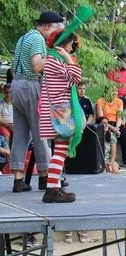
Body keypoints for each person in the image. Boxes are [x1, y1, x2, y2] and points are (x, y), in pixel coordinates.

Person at [9, 10, 63, 193]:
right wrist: (54, 56)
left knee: (20, 134)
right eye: (55, 30)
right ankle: (45, 177)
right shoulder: (38, 39)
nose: (55, 34)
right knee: (41, 132)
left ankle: (18, 180)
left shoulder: (24, 38)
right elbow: (37, 65)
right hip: (30, 85)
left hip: (15, 86)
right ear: (47, 26)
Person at [38, 29, 83, 203]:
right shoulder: (55, 61)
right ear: (63, 45)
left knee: (58, 150)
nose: (71, 49)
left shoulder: (52, 60)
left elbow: (71, 79)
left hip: (56, 111)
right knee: (60, 151)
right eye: (70, 45)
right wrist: (68, 58)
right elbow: (76, 77)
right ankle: (51, 190)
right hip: (58, 113)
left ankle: (55, 187)